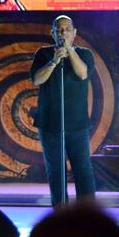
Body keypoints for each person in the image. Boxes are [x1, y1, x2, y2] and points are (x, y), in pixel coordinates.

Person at [30, 15, 96, 206]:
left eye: (67, 29)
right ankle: (60, 212)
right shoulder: (43, 53)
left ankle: (87, 212)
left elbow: (82, 73)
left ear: (74, 33)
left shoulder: (85, 54)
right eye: (59, 30)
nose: (63, 33)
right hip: (50, 123)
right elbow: (37, 79)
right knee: (56, 170)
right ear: (52, 33)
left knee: (82, 169)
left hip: (77, 123)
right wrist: (54, 61)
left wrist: (69, 51)